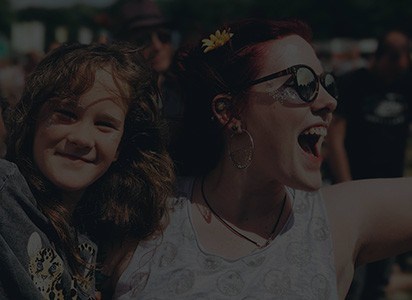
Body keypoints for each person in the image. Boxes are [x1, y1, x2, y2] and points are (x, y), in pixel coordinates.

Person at [110, 19, 412, 299]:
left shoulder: (334, 221)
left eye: (327, 83)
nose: (329, 101)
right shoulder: (146, 213)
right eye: (302, 82)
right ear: (229, 111)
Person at [0, 42, 174, 299]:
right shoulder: (6, 192)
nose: (82, 138)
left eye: (104, 124)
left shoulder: (93, 243)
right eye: (66, 113)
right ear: (33, 120)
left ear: (120, 148)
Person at [327, 29, 412, 299]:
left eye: (405, 58)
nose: (400, 65)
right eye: (395, 58)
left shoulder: (406, 83)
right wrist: (346, 188)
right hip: (356, 187)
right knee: (352, 280)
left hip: (390, 191)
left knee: (379, 280)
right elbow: (335, 137)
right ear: (379, 56)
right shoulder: (354, 83)